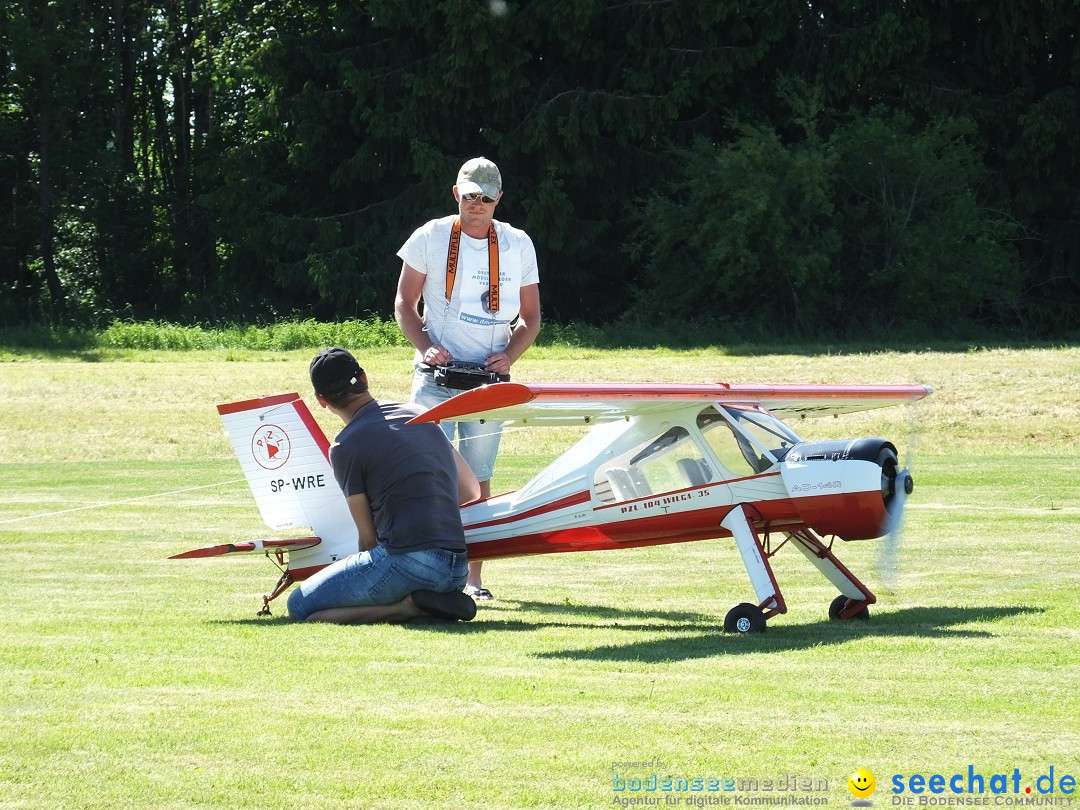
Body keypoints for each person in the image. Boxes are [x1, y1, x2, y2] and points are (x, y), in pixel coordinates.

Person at [395, 156, 541, 602]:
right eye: (470, 195)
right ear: (455, 193)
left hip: (486, 382)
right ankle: (415, 568)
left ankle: (474, 579)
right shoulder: (432, 235)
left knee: (478, 480)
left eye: (486, 196)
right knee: (422, 473)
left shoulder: (517, 243)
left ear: (500, 199)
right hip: (435, 376)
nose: (477, 204)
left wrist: (509, 356)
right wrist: (427, 347)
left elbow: (531, 319)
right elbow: (404, 305)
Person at [286, 346, 481, 624]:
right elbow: (470, 490)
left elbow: (367, 539)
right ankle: (432, 601)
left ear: (320, 400)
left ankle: (408, 608)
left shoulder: (344, 446)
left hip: (408, 563)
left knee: (300, 606)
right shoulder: (418, 413)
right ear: (364, 378)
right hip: (457, 568)